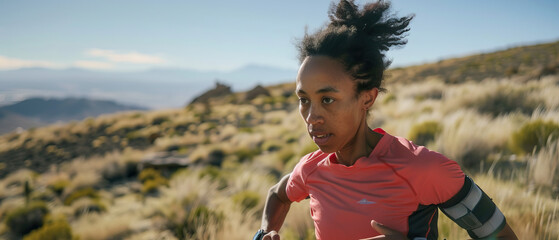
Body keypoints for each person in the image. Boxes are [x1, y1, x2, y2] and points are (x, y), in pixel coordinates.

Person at [253, 1, 518, 240]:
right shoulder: (311, 169)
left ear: (367, 98)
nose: (311, 117)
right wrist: (265, 233)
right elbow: (277, 195)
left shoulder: (423, 169)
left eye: (328, 100)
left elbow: (502, 237)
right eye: (304, 99)